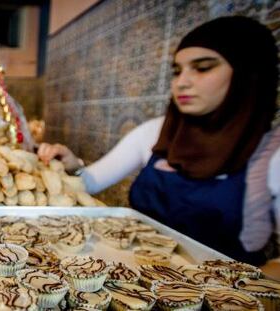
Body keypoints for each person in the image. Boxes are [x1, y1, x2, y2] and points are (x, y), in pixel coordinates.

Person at [38, 16, 280, 265]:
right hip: (135, 278)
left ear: (247, 74)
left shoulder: (271, 155)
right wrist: (70, 166)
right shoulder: (156, 133)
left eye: (203, 67)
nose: (182, 82)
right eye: (177, 71)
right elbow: (89, 183)